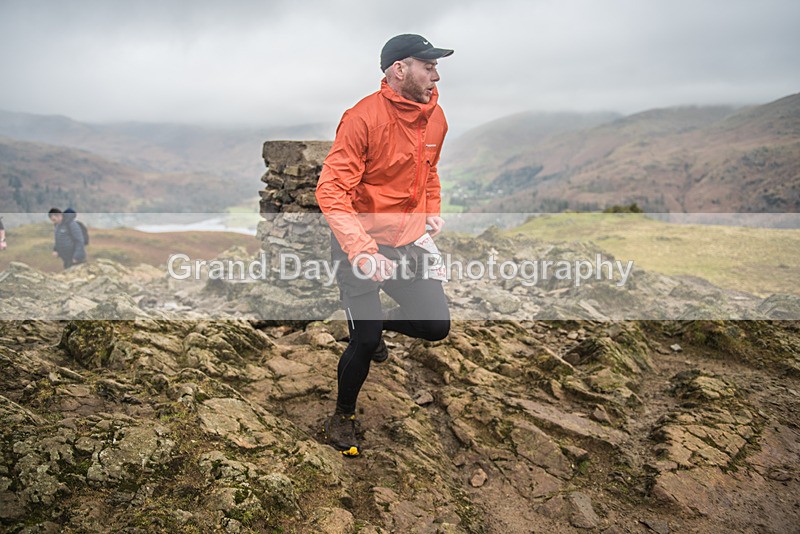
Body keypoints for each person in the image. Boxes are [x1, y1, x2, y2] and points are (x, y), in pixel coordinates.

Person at [315, 34, 454, 456]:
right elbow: (331, 190)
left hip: (408, 242)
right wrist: (361, 249)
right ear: (399, 69)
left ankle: (376, 329)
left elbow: (428, 171)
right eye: (428, 66)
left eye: (436, 67)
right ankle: (342, 417)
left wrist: (431, 208)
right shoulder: (362, 118)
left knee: (435, 326)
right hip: (359, 244)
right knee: (362, 341)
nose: (436, 75)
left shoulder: (436, 117)